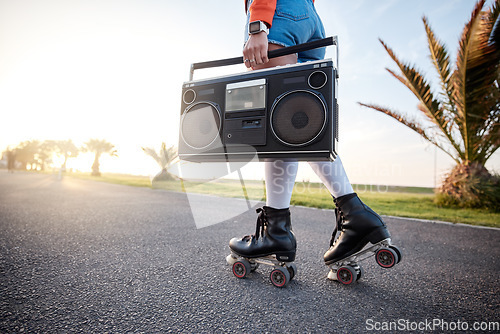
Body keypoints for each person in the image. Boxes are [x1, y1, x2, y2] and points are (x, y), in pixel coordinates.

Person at [229, 0, 394, 273]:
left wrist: (257, 25)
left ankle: (277, 234)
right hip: (308, 20)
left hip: (278, 13)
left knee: (277, 125)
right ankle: (356, 216)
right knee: (299, 129)